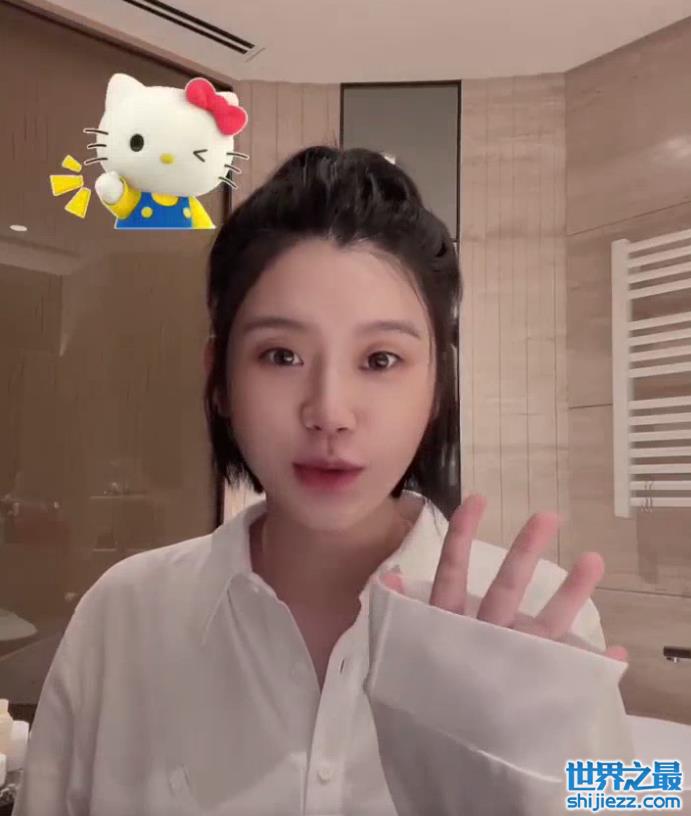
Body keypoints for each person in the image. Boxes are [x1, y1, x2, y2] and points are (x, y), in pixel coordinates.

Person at [14, 146, 634, 816]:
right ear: (218, 379)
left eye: (381, 359)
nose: (330, 412)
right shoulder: (124, 615)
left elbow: (631, 797)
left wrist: (520, 790)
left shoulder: (531, 618)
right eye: (281, 355)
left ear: (437, 386)